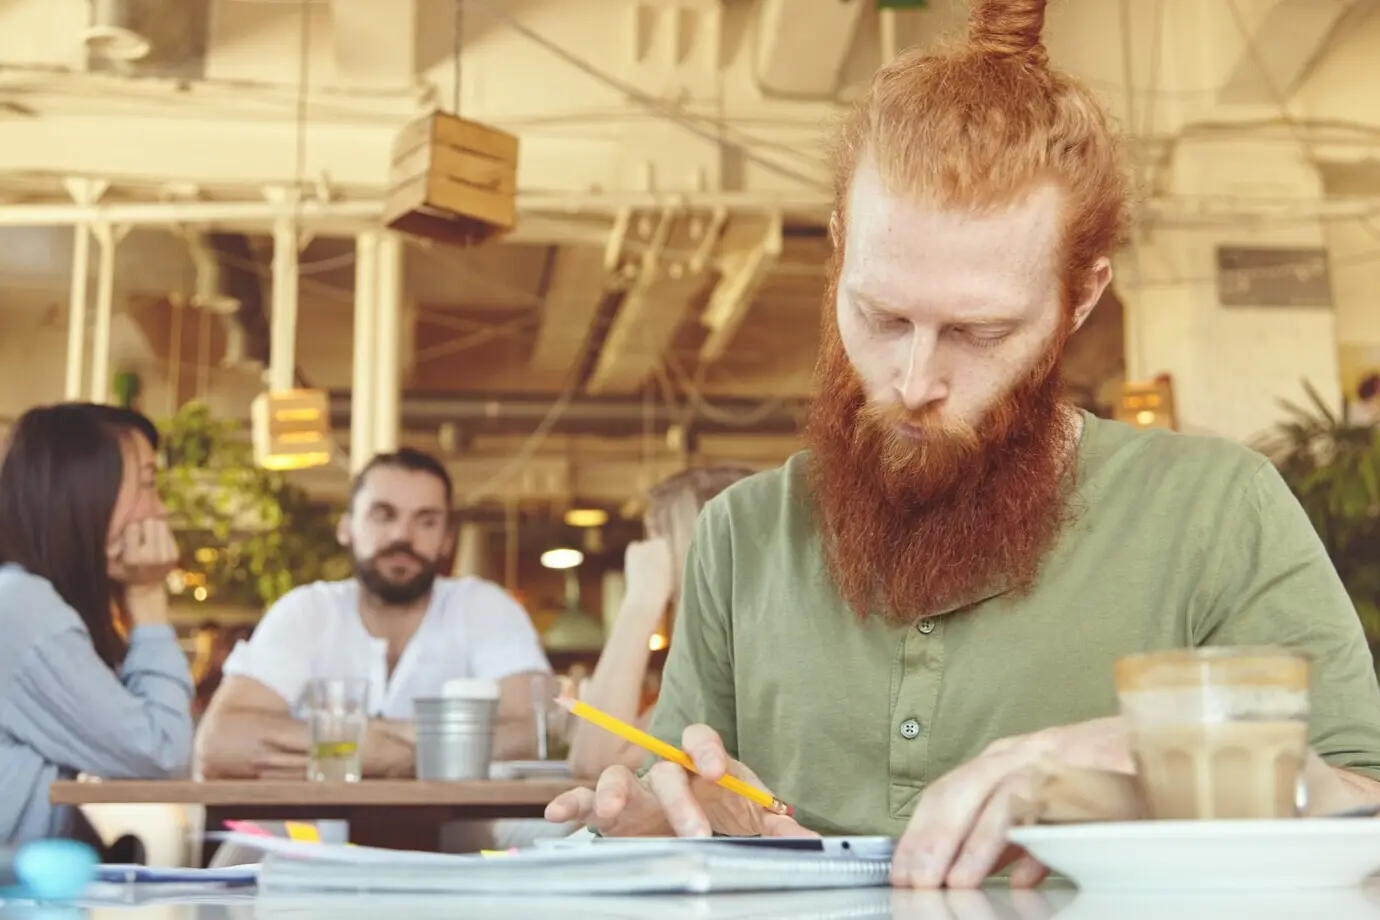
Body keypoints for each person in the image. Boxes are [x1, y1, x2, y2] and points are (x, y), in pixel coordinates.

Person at [546, 0, 1380, 888]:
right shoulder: (743, 535)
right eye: (881, 315)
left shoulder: (1217, 510)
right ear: (838, 247)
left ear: (1082, 297)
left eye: (978, 333)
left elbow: (1363, 802)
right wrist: (673, 823)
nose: (913, 381)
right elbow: (673, 784)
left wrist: (1144, 758)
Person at [195, 447, 553, 779]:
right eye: (383, 515)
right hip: (311, 839)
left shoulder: (484, 608)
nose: (402, 535)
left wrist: (377, 749)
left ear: (447, 538)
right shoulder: (306, 612)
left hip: (461, 844)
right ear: (346, 527)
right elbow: (219, 743)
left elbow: (538, 734)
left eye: (426, 521)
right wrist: (443, 752)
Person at [0, 405, 192, 843]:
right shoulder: (22, 610)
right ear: (84, 489)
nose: (160, 511)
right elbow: (160, 754)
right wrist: (147, 597)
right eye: (147, 484)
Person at [568, 466, 755, 778]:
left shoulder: (736, 660)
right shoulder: (721, 651)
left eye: (657, 540)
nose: (644, 554)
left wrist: (640, 601)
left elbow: (594, 760)